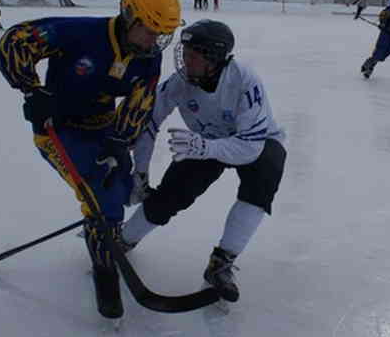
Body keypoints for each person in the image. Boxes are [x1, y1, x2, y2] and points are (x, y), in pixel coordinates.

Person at [0, 0, 182, 320]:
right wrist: (31, 90)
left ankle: (104, 233)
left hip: (103, 130)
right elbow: (16, 41)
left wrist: (119, 140)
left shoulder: (148, 57)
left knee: (121, 191)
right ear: (129, 16)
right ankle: (104, 263)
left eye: (161, 34)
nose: (155, 42)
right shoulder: (81, 33)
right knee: (99, 198)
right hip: (58, 132)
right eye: (150, 31)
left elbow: (141, 100)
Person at [120, 19, 287, 304]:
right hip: (205, 141)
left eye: (194, 55)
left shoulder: (244, 81)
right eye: (184, 52)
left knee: (265, 174)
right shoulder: (179, 83)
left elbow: (249, 148)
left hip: (253, 142)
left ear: (215, 60)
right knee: (172, 194)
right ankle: (125, 239)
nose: (186, 61)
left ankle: (220, 263)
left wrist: (205, 147)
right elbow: (148, 124)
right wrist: (141, 174)